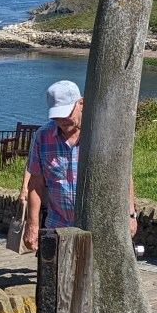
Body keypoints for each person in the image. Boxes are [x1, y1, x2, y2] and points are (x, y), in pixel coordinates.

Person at [23, 80, 138, 251]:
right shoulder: (42, 137)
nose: (62, 121)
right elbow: (36, 184)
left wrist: (130, 215)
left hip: (98, 228)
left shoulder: (102, 134)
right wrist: (33, 225)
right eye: (56, 116)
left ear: (81, 103)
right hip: (58, 227)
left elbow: (123, 177)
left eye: (66, 114)